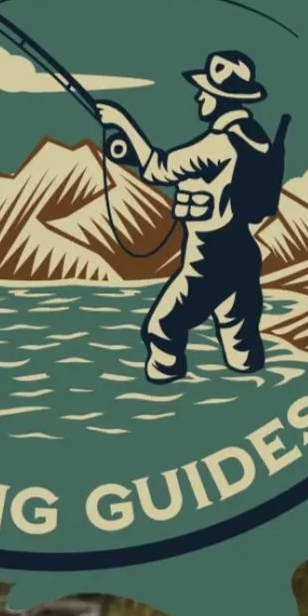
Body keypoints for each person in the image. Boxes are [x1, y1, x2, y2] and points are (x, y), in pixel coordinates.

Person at [94, 51, 284, 383]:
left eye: (206, 91)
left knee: (162, 328)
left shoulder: (217, 144)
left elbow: (158, 168)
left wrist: (122, 121)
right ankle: (260, 392)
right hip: (243, 253)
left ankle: (163, 392)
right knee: (241, 344)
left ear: (222, 99)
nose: (199, 97)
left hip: (210, 259)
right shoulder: (255, 137)